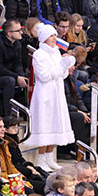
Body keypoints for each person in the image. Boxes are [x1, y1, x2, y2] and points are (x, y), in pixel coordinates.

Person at [29, 25, 76, 172]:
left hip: (57, 93)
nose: (54, 39)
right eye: (51, 36)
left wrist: (65, 67)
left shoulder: (56, 52)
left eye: (55, 36)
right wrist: (61, 66)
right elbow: (43, 76)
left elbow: (61, 75)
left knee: (55, 123)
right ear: (44, 38)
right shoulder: (39, 54)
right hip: (44, 94)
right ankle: (41, 158)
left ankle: (50, 157)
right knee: (45, 124)